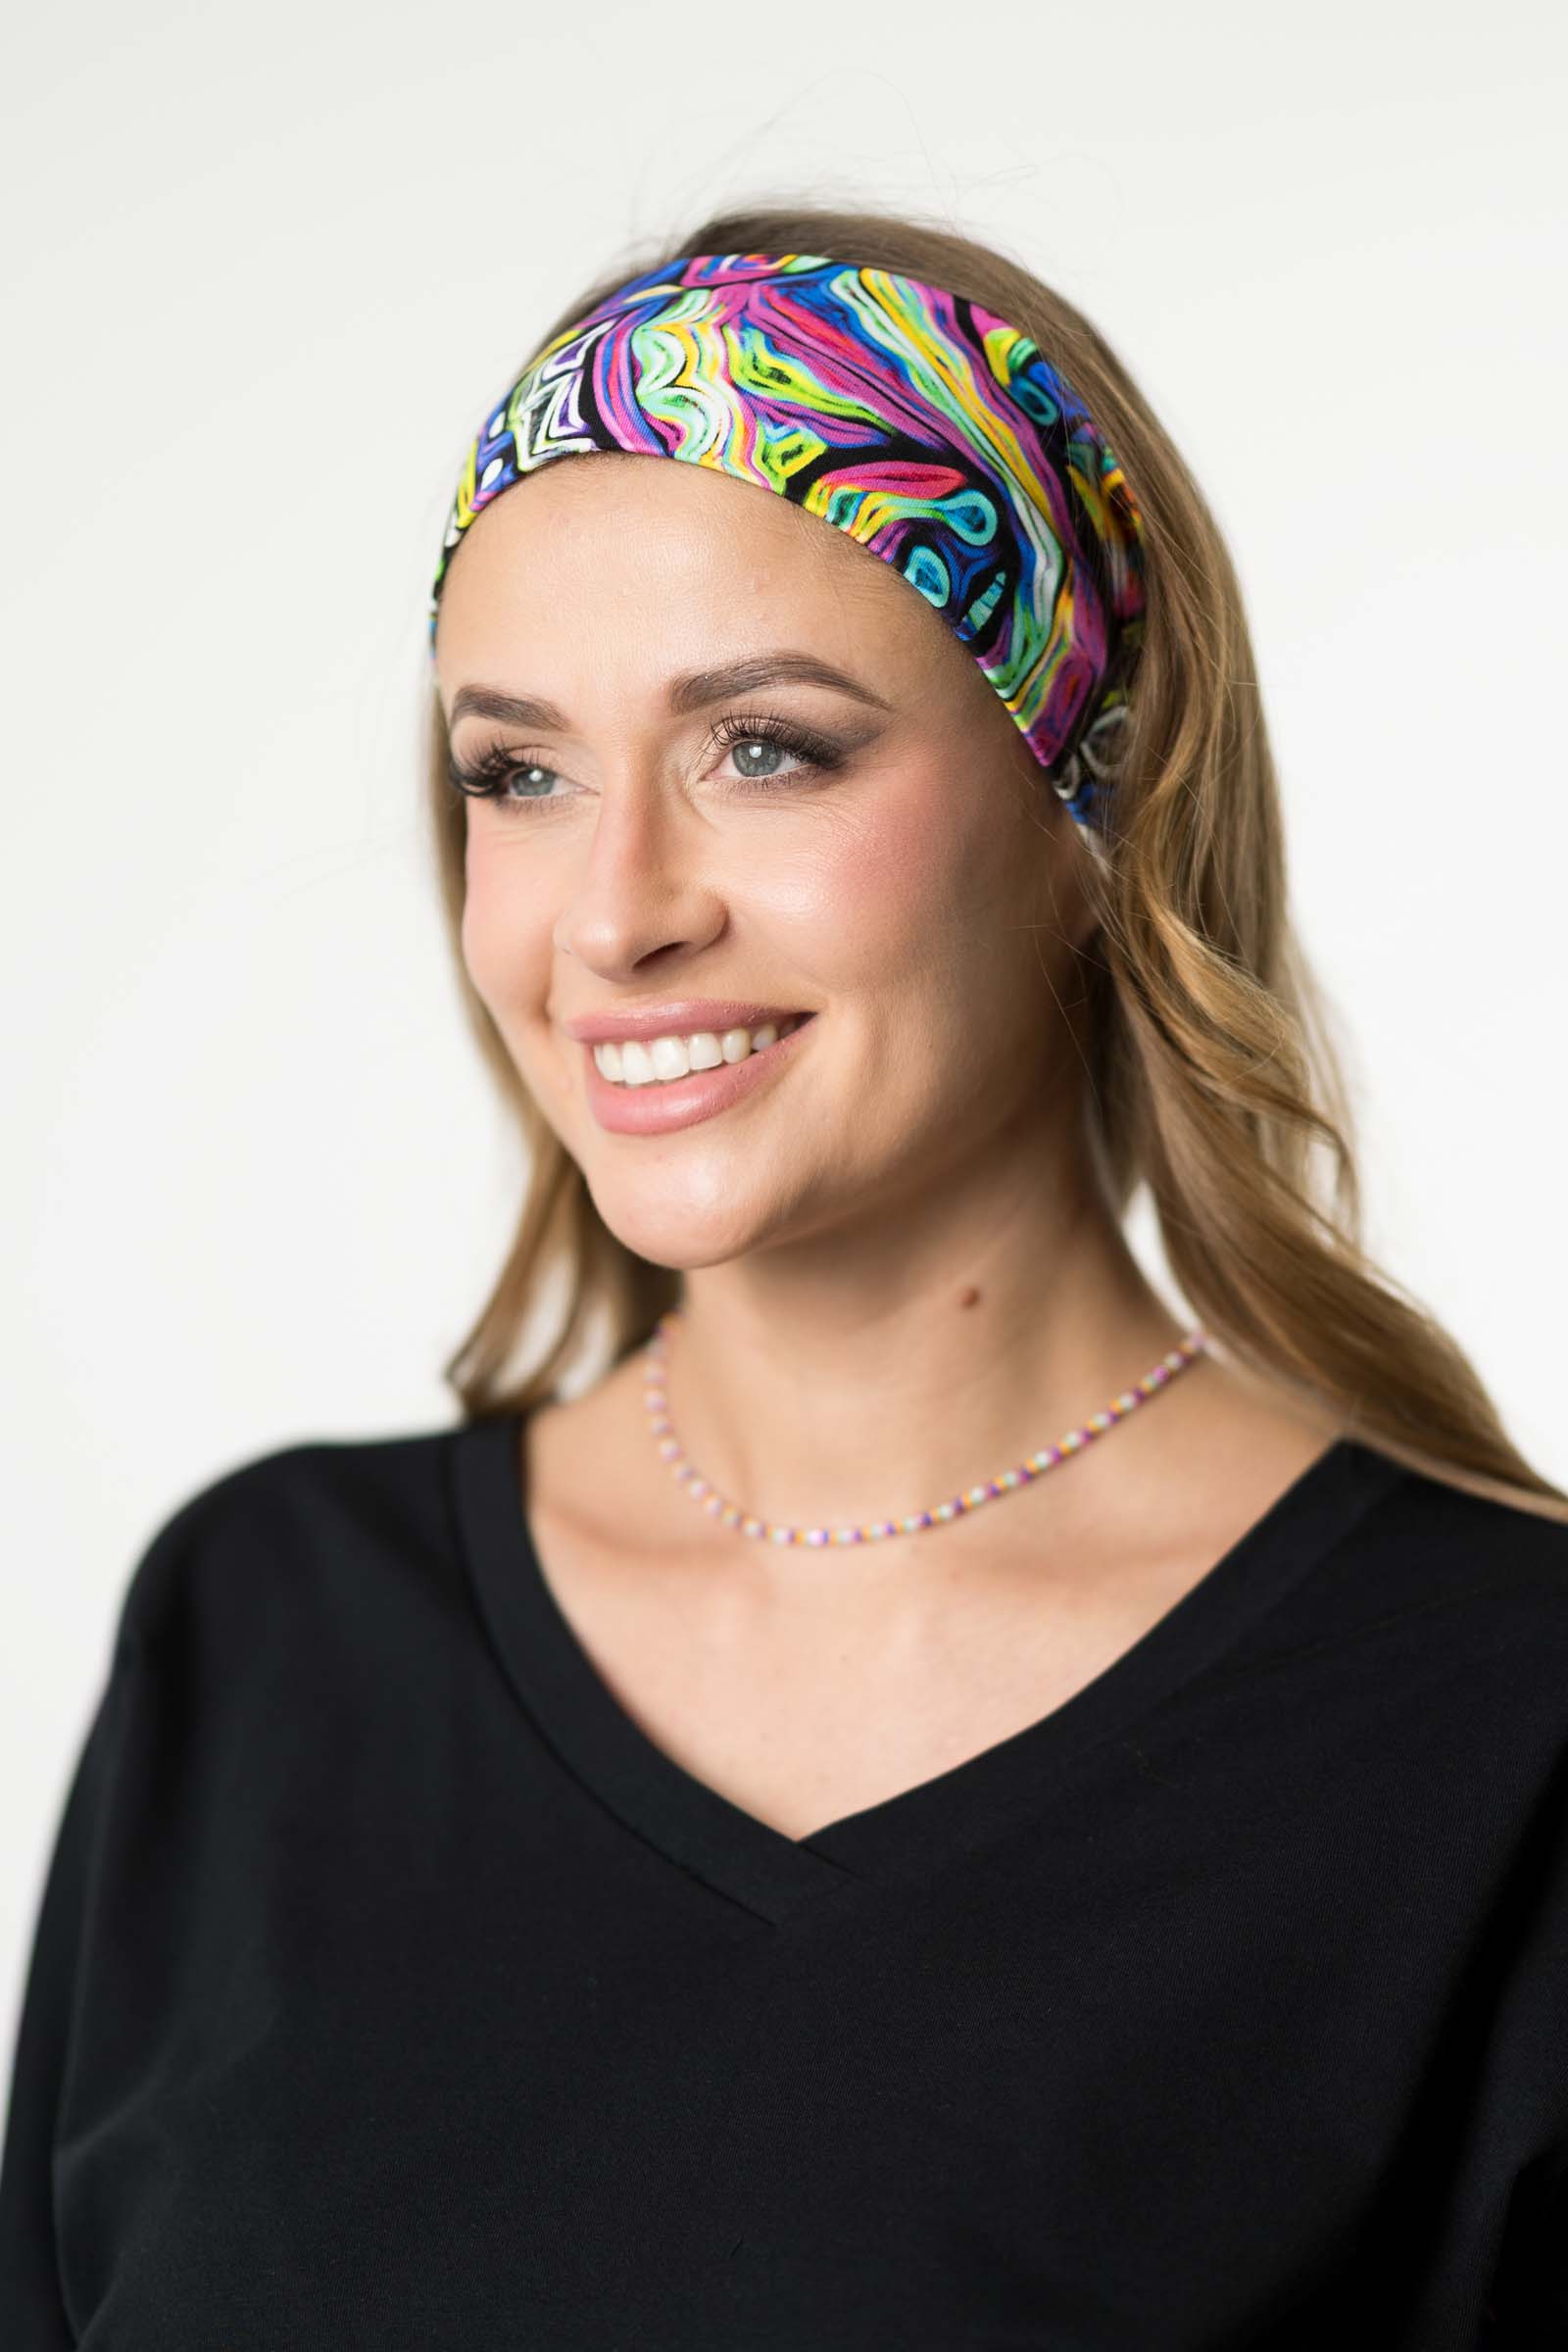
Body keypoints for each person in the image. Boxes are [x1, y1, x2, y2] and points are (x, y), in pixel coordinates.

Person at [3, 203, 1566, 2349]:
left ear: (1093, 803)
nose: (611, 914)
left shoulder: (1496, 1723)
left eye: (766, 748)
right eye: (519, 773)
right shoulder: (264, 1636)